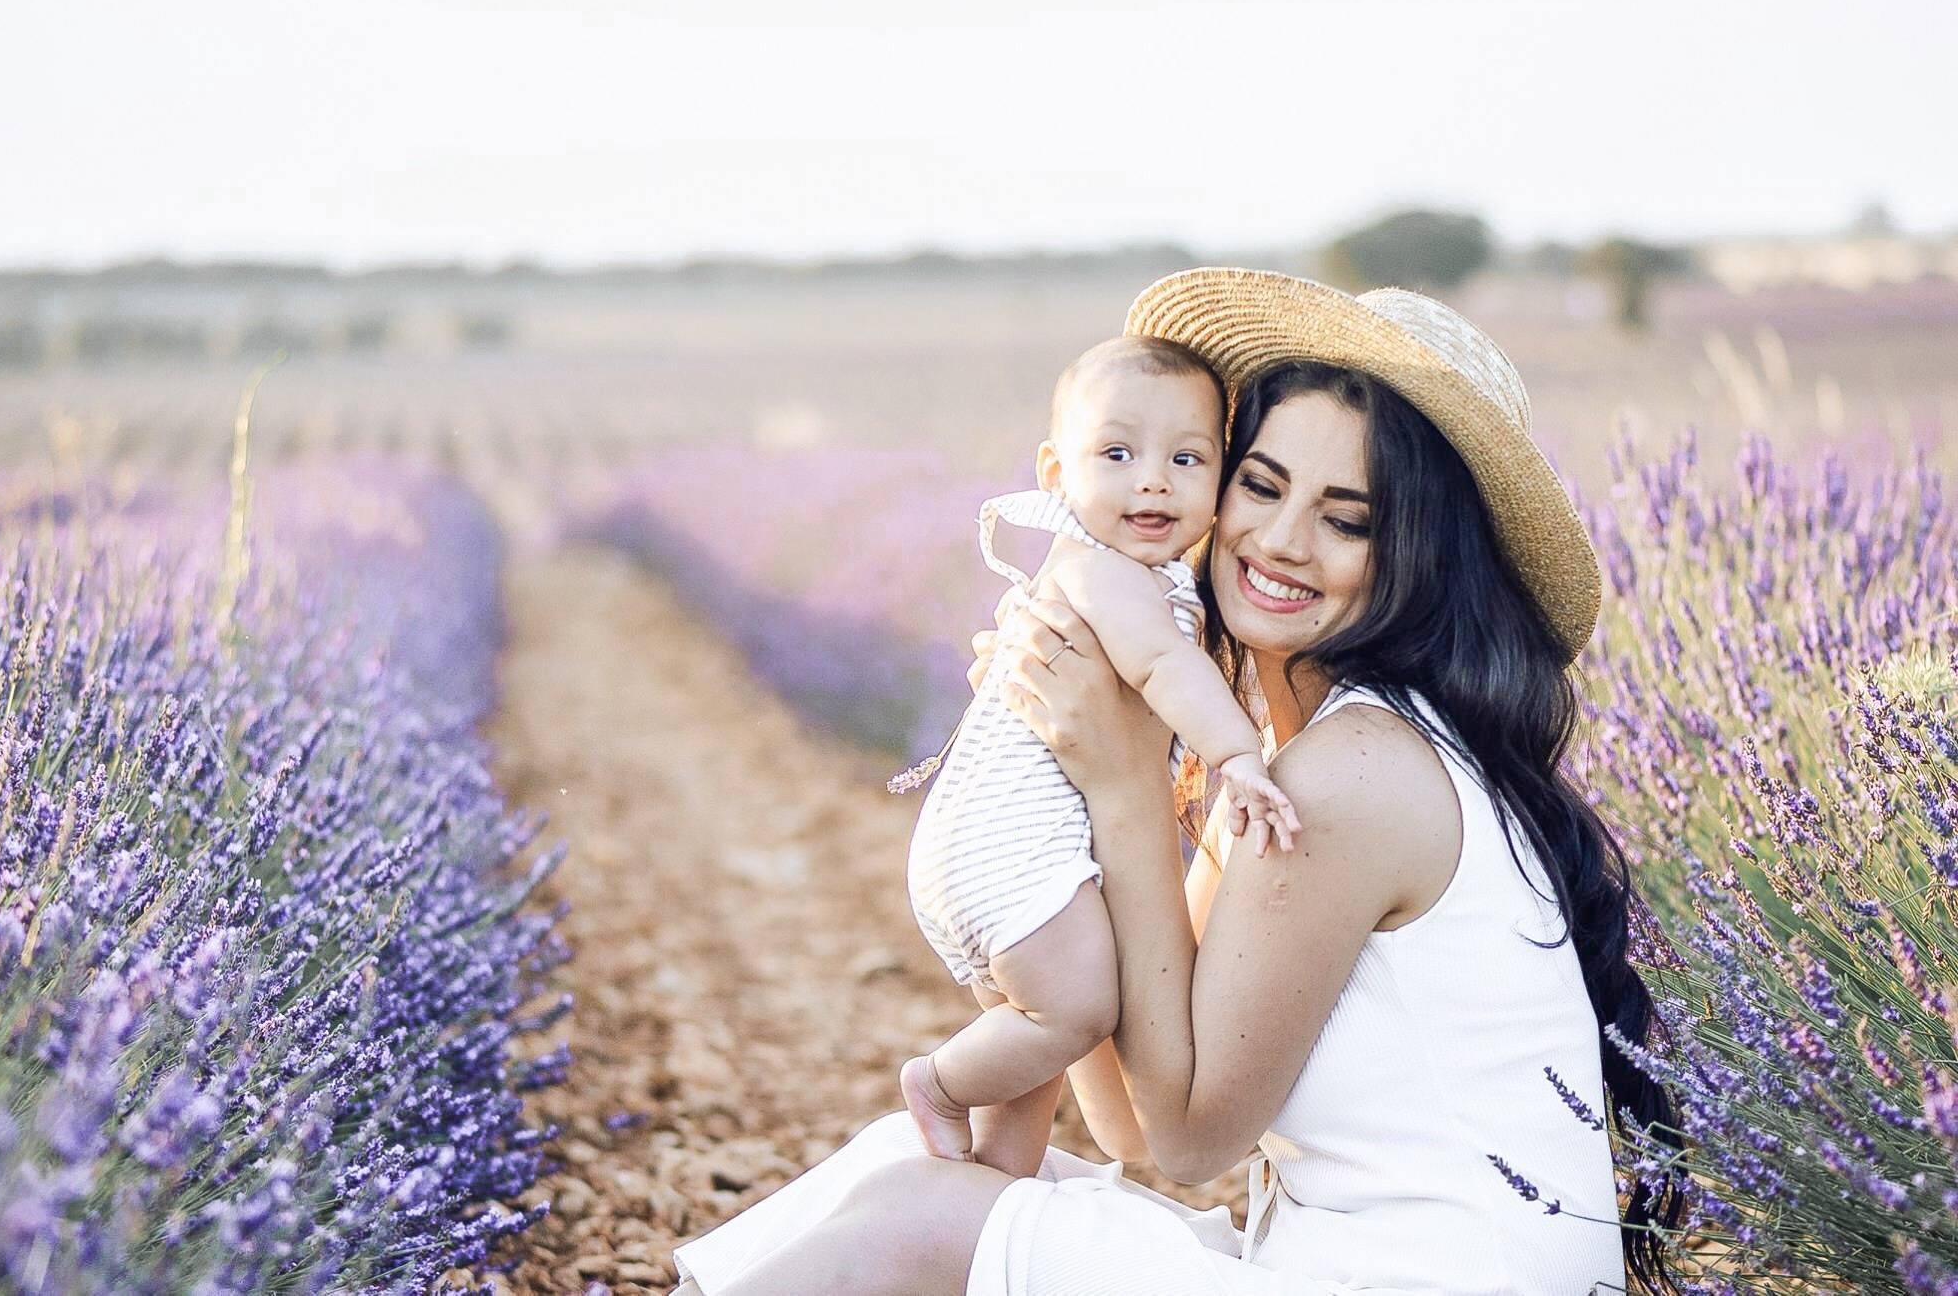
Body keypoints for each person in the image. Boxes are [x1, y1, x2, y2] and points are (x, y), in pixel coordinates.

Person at [669, 268, 1685, 1296]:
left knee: (917, 1220)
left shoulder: (1354, 776)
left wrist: (1121, 787)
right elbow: (1126, 1117)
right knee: (907, 1168)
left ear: (1420, 557)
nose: (1277, 541)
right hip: (1341, 1272)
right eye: (1260, 484)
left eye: (1347, 518)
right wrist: (1065, 779)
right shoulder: (1301, 764)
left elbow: (1191, 1141)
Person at [895, 333, 1300, 1179]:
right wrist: (1238, 756)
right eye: (1117, 453)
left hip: (996, 848)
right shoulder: (1107, 571)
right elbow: (1161, 667)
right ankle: (935, 1084)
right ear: (1055, 474)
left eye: (1187, 459)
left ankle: (993, 1184)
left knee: (1036, 1044)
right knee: (1074, 1007)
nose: (1153, 478)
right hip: (1007, 845)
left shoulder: (1135, 579)